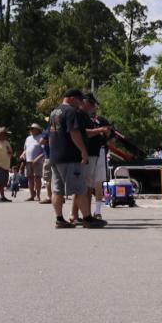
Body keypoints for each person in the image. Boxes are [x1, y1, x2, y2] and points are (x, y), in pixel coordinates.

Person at [47, 88, 97, 228]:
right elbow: (74, 133)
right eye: (80, 100)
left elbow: (50, 135)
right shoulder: (71, 112)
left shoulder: (54, 112)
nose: (81, 103)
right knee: (79, 188)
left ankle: (59, 219)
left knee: (57, 190)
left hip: (56, 157)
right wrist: (83, 151)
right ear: (72, 98)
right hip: (70, 157)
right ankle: (87, 219)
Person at [81, 93, 112, 223]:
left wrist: (107, 132)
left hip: (100, 150)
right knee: (85, 183)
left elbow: (110, 136)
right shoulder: (82, 117)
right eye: (92, 104)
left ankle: (97, 211)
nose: (94, 107)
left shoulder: (102, 120)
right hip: (87, 151)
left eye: (94, 105)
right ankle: (83, 213)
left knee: (98, 181)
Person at [23, 122, 45, 201]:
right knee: (30, 178)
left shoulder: (41, 137)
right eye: (30, 129)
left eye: (32, 128)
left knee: (37, 178)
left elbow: (44, 151)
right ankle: (32, 195)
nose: (30, 130)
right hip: (28, 161)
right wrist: (23, 154)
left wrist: (37, 158)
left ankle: (38, 195)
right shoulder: (28, 138)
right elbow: (26, 149)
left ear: (37, 130)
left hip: (37, 161)